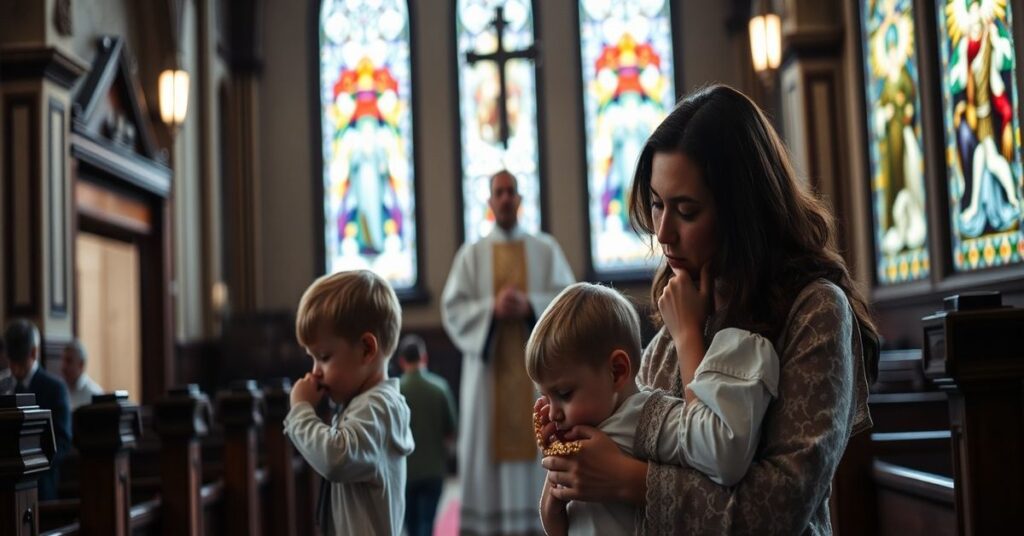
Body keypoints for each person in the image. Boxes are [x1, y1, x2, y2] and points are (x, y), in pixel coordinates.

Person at [537, 84, 879, 534]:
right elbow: (637, 453)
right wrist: (571, 450)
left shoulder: (815, 313)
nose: (663, 232)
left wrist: (627, 480)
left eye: (686, 210)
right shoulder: (674, 320)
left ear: (741, 211)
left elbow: (779, 504)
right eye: (657, 205)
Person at [529, 283, 779, 536]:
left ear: (617, 371)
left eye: (564, 395)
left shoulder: (648, 417)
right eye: (545, 397)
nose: (552, 414)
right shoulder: (574, 437)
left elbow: (715, 448)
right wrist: (552, 508)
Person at [441, 169, 575, 534]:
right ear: (489, 201)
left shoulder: (544, 249)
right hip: (489, 380)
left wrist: (532, 306)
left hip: (536, 378)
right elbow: (452, 309)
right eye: (497, 192)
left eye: (510, 191)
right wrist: (490, 310)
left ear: (519, 199)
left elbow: (568, 300)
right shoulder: (471, 255)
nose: (504, 198)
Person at [283, 270, 415, 535]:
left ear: (367, 349)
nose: (315, 371)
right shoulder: (363, 404)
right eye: (312, 358)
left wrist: (300, 412)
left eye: (324, 356)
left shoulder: (379, 406)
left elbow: (336, 458)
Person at [4, 319, 73, 500]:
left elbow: (63, 441)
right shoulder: (3, 386)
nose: (15, 368)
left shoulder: (55, 389)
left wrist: (31, 465)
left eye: (20, 361)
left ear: (34, 353)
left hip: (41, 488)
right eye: (11, 361)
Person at [397, 334, 457, 536]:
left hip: (404, 470)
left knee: (411, 526)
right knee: (427, 524)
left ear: (401, 361)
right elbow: (451, 430)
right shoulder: (439, 388)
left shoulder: (395, 392)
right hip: (433, 469)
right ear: (424, 358)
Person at [61, 339, 104, 410]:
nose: (63, 366)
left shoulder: (94, 394)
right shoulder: (60, 390)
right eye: (63, 360)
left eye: (69, 361)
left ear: (81, 364)